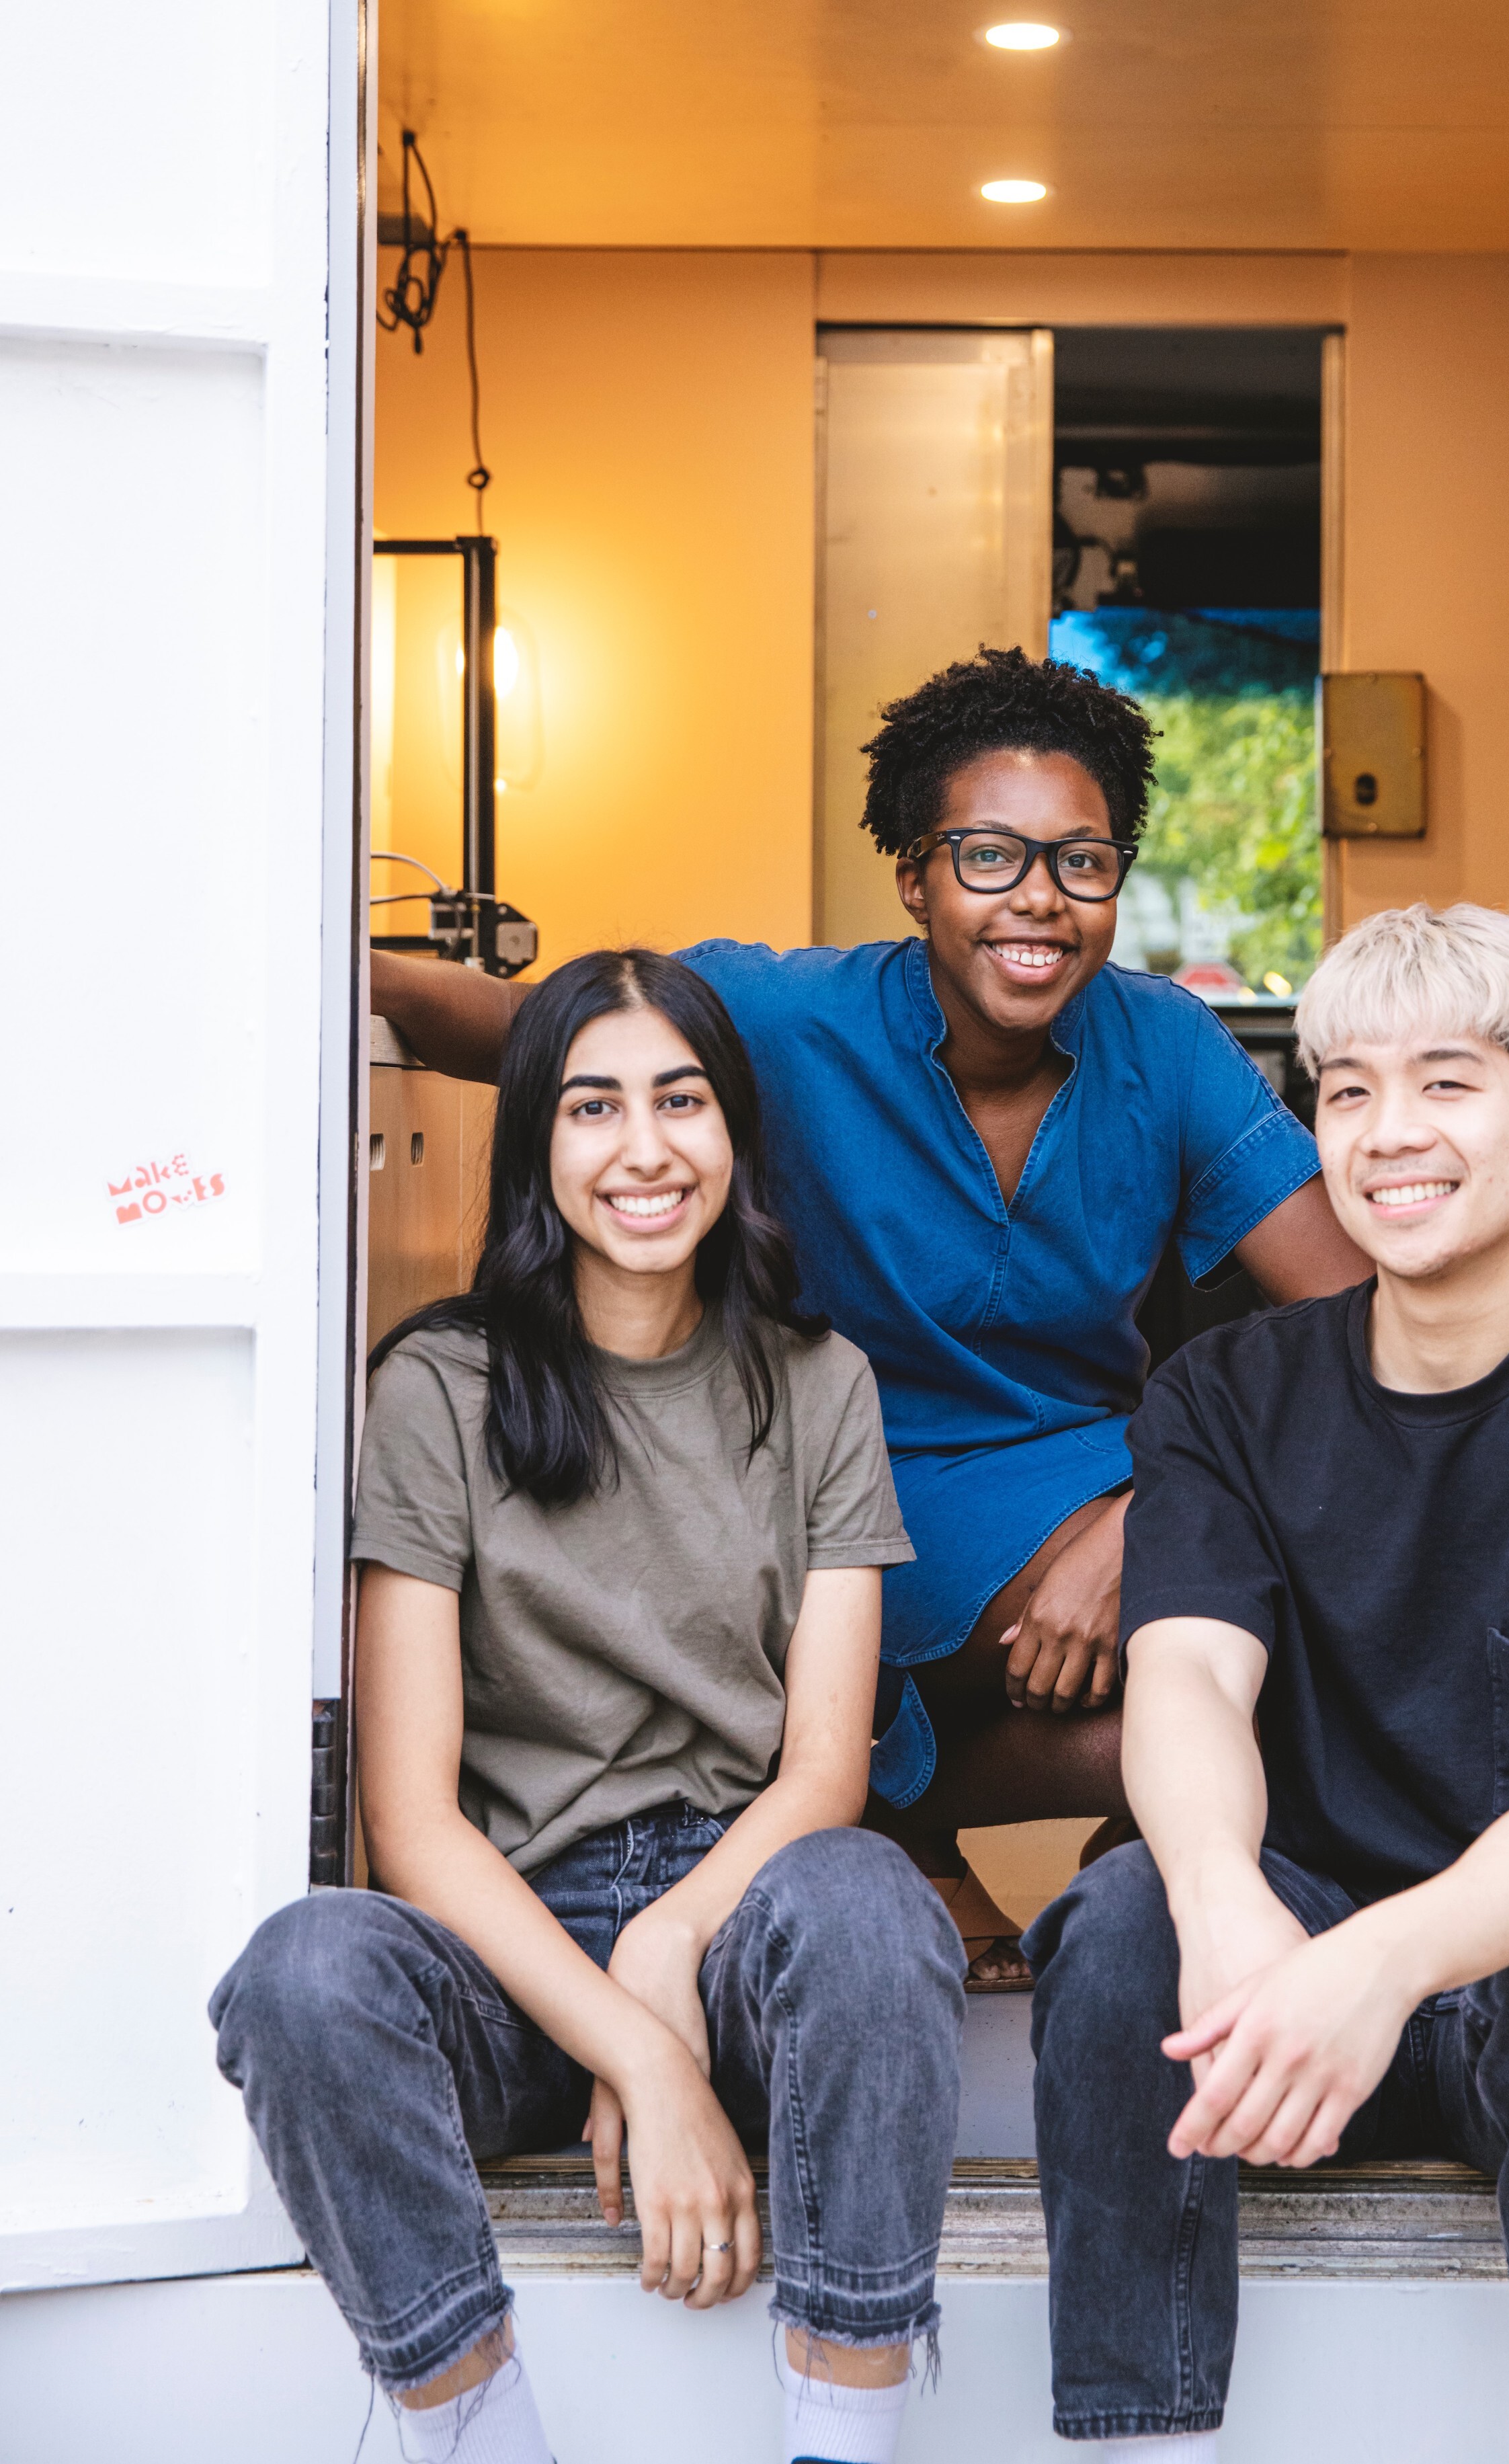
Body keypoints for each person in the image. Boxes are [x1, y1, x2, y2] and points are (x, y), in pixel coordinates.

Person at [373, 647, 1367, 1986]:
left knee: (1296, 1651)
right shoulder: (790, 1017)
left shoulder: (1166, 1043)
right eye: (988, 857)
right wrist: (337, 957)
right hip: (829, 1481)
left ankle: (1025, 1859)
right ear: (913, 876)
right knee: (1212, 1643)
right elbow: (529, 1030)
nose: (1040, 901)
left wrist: (1154, 1511)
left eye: (1082, 861)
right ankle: (914, 1817)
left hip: (1087, 1473)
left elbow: (1350, 1320)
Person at [1026, 903, 1509, 2463]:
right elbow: (1183, 1685)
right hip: (1279, 2003)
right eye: (1348, 1091)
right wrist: (1229, 1898)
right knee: (1121, 1921)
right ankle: (1137, 2436)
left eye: (1447, 1083)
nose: (1390, 1135)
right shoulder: (1225, 1395)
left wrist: (1375, 1967)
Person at [210, 949, 963, 2464]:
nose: (643, 1150)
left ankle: (847, 2438)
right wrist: (637, 2056)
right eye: (591, 1107)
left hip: (743, 1919)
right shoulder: (438, 1388)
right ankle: (478, 2434)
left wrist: (679, 1951)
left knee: (873, 1904)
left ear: (733, 1132)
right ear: (536, 1148)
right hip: (511, 1942)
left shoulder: (820, 1384)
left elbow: (824, 1766)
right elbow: (412, 1825)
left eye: (681, 1101)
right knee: (301, 1972)